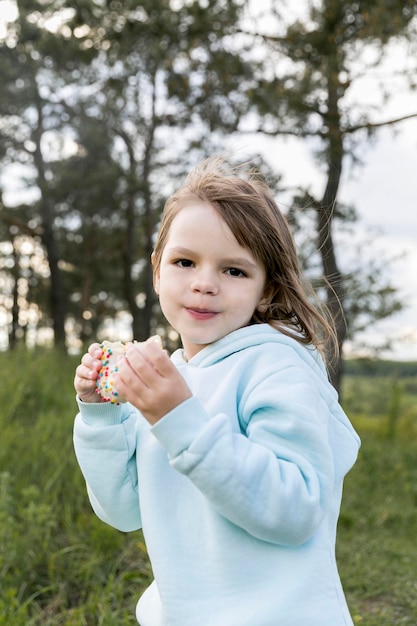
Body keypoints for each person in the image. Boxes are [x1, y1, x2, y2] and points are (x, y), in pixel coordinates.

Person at [73, 157, 360, 626]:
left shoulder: (276, 366)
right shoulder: (172, 378)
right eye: (184, 262)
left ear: (267, 290)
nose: (204, 284)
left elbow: (297, 508)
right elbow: (124, 511)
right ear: (157, 272)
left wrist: (178, 417)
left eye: (234, 271)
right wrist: (100, 417)